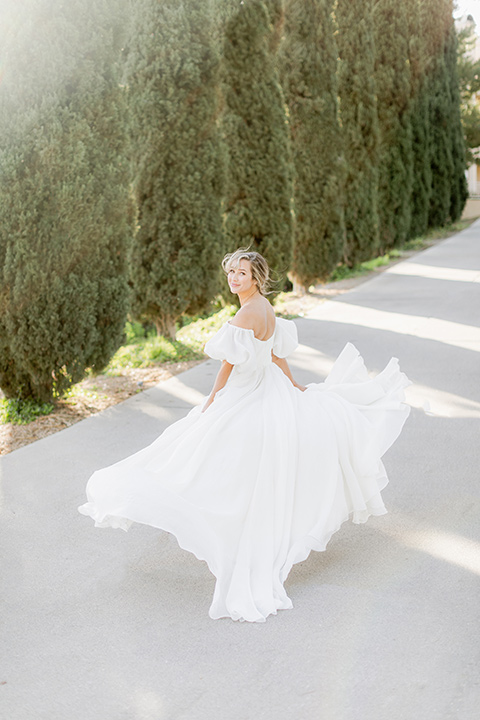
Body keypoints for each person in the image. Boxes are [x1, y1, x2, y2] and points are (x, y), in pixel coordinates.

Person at [79, 249, 410, 623]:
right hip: (268, 386)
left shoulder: (245, 313)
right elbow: (275, 354)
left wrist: (214, 397)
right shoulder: (265, 308)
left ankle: (227, 523)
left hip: (250, 391)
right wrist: (294, 384)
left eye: (242, 273)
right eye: (231, 271)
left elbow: (228, 363)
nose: (234, 278)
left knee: (195, 451)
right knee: (235, 456)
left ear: (256, 278)